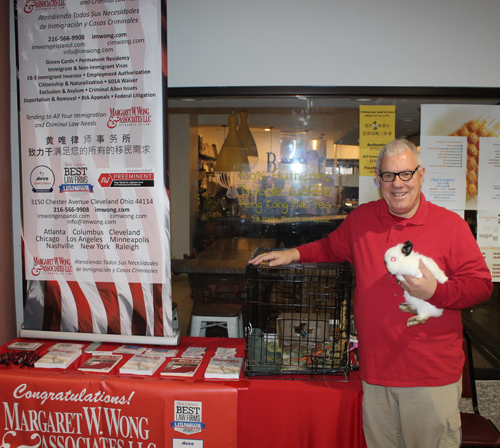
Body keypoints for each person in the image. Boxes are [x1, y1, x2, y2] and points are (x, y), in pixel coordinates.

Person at [249, 138, 493, 448]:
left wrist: (436, 291)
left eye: (406, 174)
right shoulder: (362, 220)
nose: (397, 184)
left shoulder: (451, 226)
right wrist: (293, 253)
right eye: (389, 175)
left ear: (421, 175)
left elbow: (481, 284)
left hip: (429, 378)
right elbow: (329, 247)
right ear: (378, 180)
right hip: (376, 374)